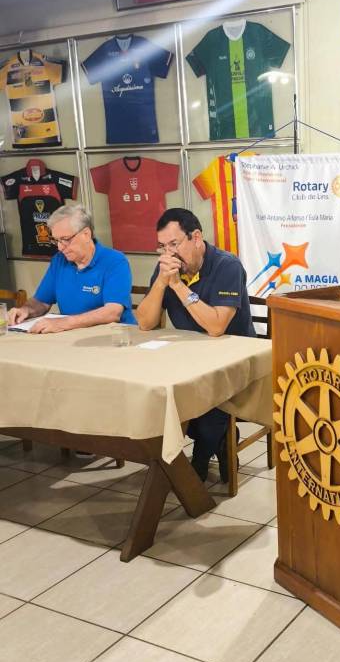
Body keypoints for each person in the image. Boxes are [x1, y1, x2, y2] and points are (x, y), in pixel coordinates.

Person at [136, 207, 255, 484]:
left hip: (233, 359)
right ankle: (220, 443)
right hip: (189, 357)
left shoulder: (227, 265)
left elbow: (216, 327)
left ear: (196, 237)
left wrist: (178, 287)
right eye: (163, 247)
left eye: (174, 244)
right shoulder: (167, 268)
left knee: (211, 407)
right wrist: (161, 284)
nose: (169, 253)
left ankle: (199, 459)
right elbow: (144, 322)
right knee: (162, 396)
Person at [8, 204, 136, 332]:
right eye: (56, 240)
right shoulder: (59, 260)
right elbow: (41, 302)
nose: (60, 247)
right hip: (72, 335)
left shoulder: (115, 261)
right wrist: (26, 310)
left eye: (65, 239)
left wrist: (63, 323)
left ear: (86, 234)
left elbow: (112, 312)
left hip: (114, 336)